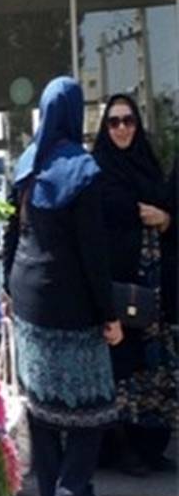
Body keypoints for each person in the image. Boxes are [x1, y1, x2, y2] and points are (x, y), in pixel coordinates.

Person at [4, 76, 122, 496]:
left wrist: (6, 289)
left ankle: (52, 487)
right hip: (71, 301)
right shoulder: (84, 171)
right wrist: (109, 314)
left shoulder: (26, 165)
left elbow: (13, 234)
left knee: (41, 398)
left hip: (28, 294)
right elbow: (94, 253)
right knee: (94, 398)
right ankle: (73, 489)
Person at [92, 93, 177, 474]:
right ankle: (122, 449)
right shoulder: (98, 169)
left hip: (156, 285)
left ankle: (150, 446)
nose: (122, 128)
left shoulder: (148, 164)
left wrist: (166, 219)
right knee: (121, 369)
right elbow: (105, 216)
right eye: (114, 122)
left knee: (153, 365)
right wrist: (142, 212)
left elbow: (169, 211)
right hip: (119, 285)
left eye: (128, 121)